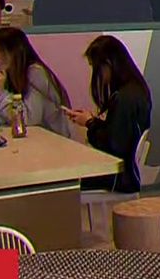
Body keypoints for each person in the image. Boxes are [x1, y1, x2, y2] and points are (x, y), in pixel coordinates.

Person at [64, 36, 152, 193]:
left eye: (96, 68)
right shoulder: (135, 91)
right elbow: (119, 133)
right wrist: (91, 121)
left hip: (119, 177)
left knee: (66, 178)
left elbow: (113, 146)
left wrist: (90, 124)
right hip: (127, 174)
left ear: (108, 64)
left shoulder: (124, 99)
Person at [0, 27, 72, 137]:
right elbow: (5, 118)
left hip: (53, 141)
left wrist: (3, 94)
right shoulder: (8, 76)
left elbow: (27, 121)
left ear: (15, 51)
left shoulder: (35, 72)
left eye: (0, 51)